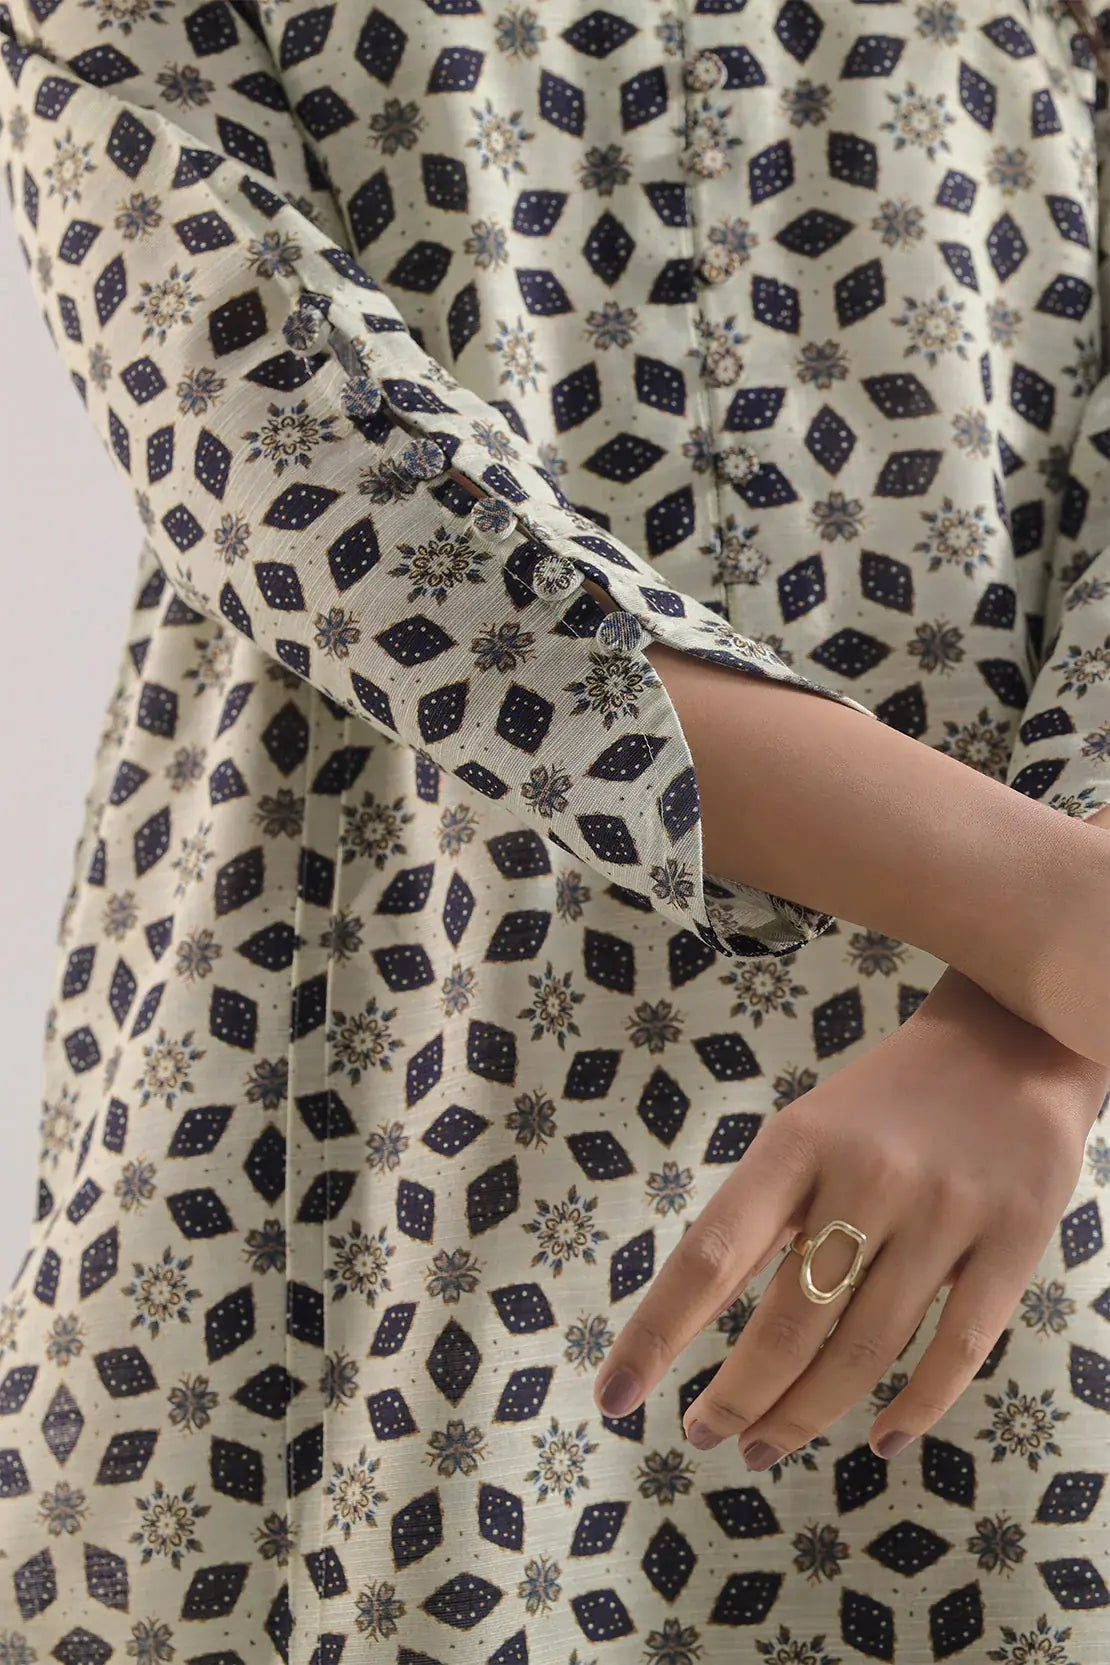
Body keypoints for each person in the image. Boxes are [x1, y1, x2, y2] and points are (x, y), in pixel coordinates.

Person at [1, 0, 1110, 1657]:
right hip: (394, 1065)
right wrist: (1040, 922)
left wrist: (1030, 1024)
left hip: (1032, 1114)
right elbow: (267, 425)